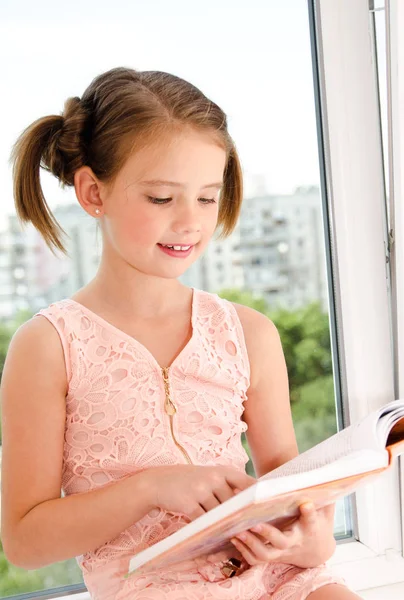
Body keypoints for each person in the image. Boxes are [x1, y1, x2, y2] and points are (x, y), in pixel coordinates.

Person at [0, 67, 361, 600]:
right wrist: (150, 488)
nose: (191, 223)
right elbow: (25, 542)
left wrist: (300, 542)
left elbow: (308, 532)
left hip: (282, 581)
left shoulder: (248, 333)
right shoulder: (48, 346)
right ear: (93, 191)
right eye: (162, 199)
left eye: (207, 198)